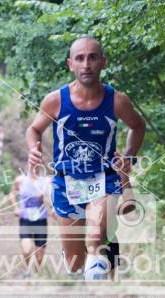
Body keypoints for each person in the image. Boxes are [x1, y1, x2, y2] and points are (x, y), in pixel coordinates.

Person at [26, 35, 146, 280]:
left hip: (104, 179)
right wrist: (33, 149)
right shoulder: (55, 100)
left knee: (95, 237)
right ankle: (90, 267)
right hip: (66, 182)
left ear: (103, 62)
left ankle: (101, 289)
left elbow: (137, 126)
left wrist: (129, 158)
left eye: (92, 58)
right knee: (75, 262)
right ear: (70, 64)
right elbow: (33, 129)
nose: (86, 64)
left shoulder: (117, 101)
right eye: (79, 59)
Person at [9, 173, 52, 278]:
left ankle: (37, 276)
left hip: (41, 221)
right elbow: (12, 194)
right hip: (25, 220)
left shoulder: (46, 181)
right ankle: (26, 272)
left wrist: (44, 196)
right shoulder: (20, 180)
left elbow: (52, 200)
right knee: (26, 250)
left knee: (39, 256)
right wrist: (15, 207)